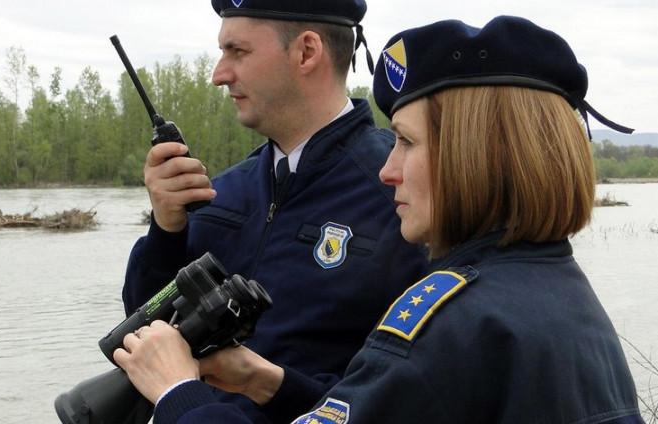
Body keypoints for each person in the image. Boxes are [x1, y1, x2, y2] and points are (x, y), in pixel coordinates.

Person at [114, 16, 645, 423]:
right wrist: (269, 382)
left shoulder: (454, 321)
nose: (388, 170)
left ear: (474, 156)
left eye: (407, 142)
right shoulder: (554, 292)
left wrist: (179, 395)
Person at [120, 0, 426, 421]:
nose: (218, 74)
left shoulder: (406, 196)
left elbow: (419, 391)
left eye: (237, 51)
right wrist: (166, 232)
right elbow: (141, 341)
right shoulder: (218, 193)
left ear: (307, 52)